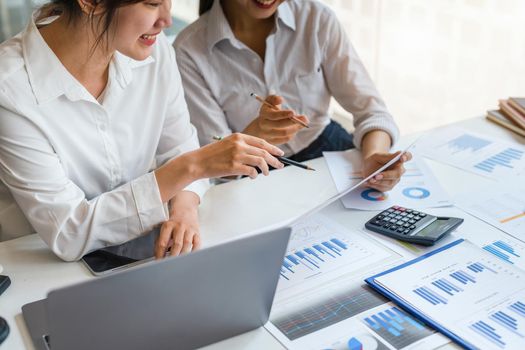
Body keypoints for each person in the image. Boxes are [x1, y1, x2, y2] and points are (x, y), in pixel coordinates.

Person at [0, 0, 285, 261]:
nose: (167, 20)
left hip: (143, 253)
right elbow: (69, 232)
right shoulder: (9, 90)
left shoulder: (154, 49)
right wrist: (194, 166)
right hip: (39, 270)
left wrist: (184, 210)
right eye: (151, 3)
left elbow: (177, 147)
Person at [174, 0, 412, 192]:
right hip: (253, 175)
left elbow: (372, 111)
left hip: (328, 148)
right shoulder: (189, 50)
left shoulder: (316, 19)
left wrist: (373, 157)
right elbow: (212, 161)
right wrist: (255, 134)